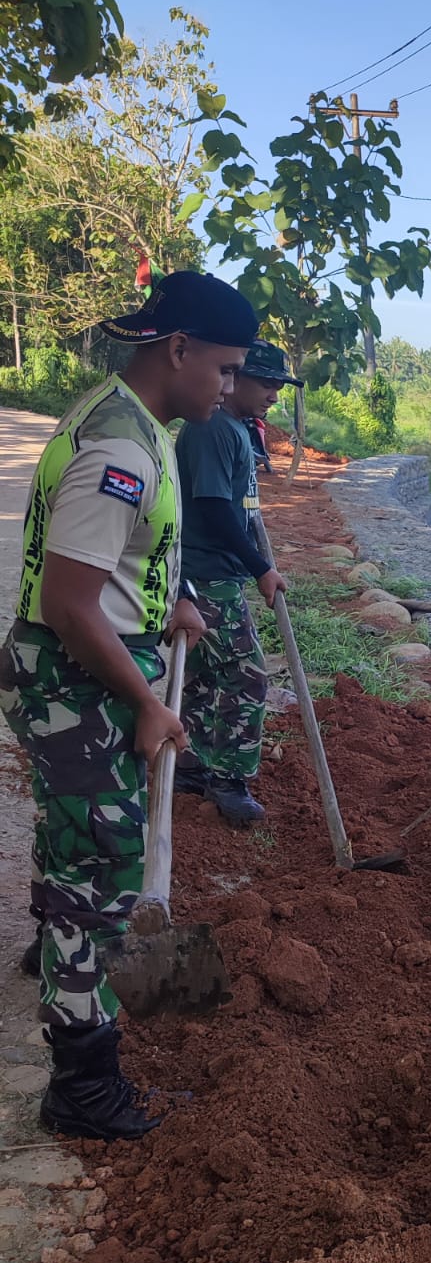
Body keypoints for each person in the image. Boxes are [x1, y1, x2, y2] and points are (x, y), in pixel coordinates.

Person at [0, 271, 258, 1140]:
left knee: (76, 831)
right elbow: (73, 604)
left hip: (92, 667)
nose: (228, 389)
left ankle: (51, 947)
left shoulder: (139, 425)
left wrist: (170, 599)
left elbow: (123, 558)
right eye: (223, 370)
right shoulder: (121, 447)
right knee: (104, 863)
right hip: (80, 679)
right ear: (177, 349)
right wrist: (150, 704)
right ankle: (82, 1084)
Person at [174, 341, 293, 824]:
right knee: (247, 673)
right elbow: (213, 507)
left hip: (216, 569)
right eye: (265, 383)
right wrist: (260, 567)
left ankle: (193, 763)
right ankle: (228, 778)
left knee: (207, 674)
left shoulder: (235, 429)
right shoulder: (213, 430)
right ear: (237, 378)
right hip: (206, 572)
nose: (273, 394)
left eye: (278, 386)